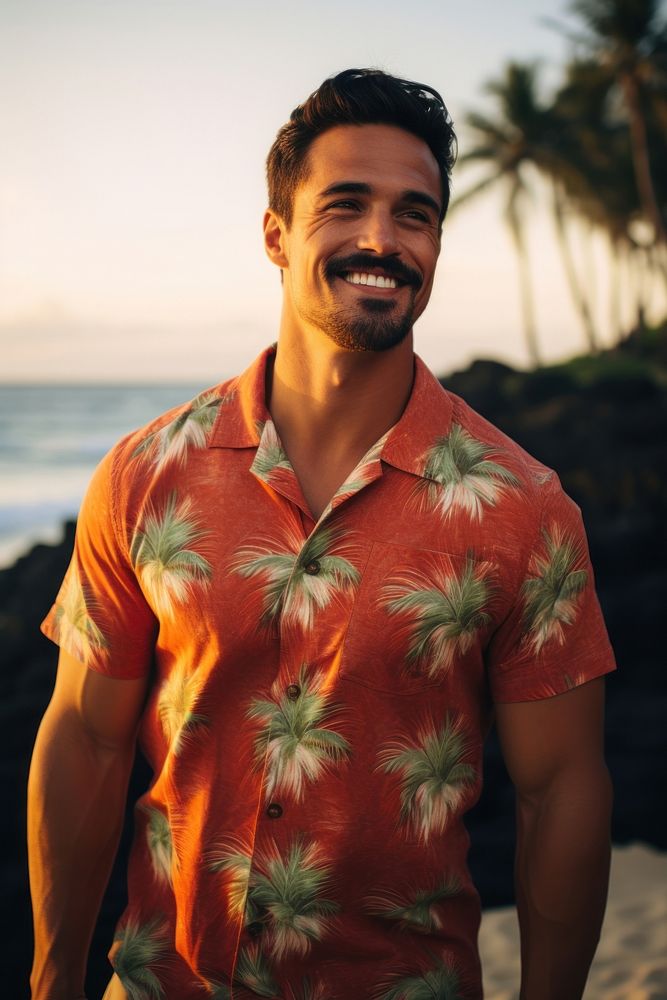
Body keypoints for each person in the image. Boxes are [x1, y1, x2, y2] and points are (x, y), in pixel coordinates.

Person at [28, 68, 616, 1000]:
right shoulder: (147, 474)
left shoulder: (523, 508)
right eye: (346, 205)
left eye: (414, 214)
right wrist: (52, 977)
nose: (381, 239)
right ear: (276, 234)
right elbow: (86, 740)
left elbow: (561, 793)